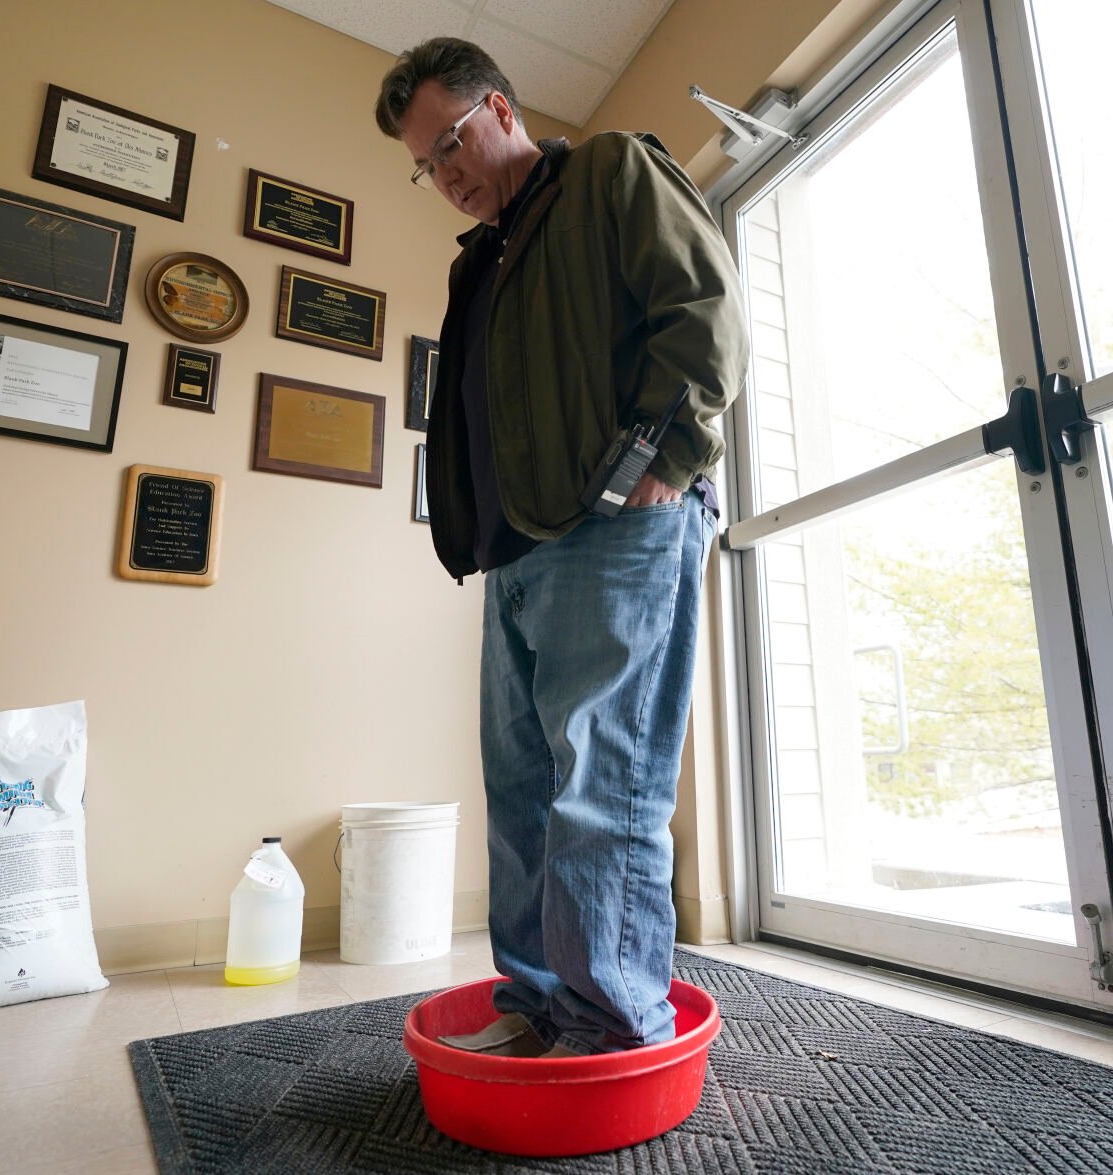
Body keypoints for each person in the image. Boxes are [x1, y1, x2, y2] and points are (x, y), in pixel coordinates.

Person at [375, 38, 749, 1058]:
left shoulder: (608, 171)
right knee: (524, 790)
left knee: (599, 784)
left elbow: (703, 304)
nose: (444, 175)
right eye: (426, 163)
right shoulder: (485, 257)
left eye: (449, 143)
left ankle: (610, 1025)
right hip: (516, 551)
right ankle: (542, 999)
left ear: (499, 108)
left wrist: (667, 454)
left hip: (616, 526)